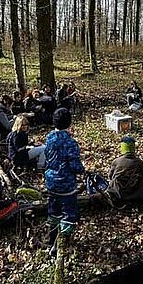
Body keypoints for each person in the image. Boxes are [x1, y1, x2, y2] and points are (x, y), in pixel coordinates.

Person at [44, 108, 85, 254]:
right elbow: (75, 165)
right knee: (69, 214)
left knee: (54, 211)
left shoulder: (49, 137)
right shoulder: (70, 142)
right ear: (69, 122)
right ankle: (61, 244)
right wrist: (82, 171)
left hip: (50, 181)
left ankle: (51, 239)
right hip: (66, 184)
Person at [107, 136, 143, 205]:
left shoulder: (116, 161)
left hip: (119, 193)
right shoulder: (139, 162)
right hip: (136, 193)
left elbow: (110, 176)